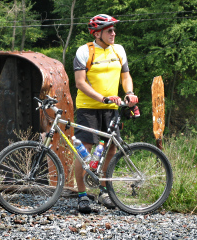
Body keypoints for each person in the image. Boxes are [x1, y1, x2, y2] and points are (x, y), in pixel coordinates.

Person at [73, 14, 139, 213]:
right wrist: (102, 97)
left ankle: (103, 192)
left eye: (113, 29)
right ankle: (82, 196)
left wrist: (129, 93)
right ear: (97, 33)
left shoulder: (119, 50)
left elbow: (125, 75)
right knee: (84, 151)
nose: (113, 33)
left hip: (112, 108)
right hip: (88, 108)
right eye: (109, 30)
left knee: (110, 150)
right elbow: (80, 82)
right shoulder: (85, 51)